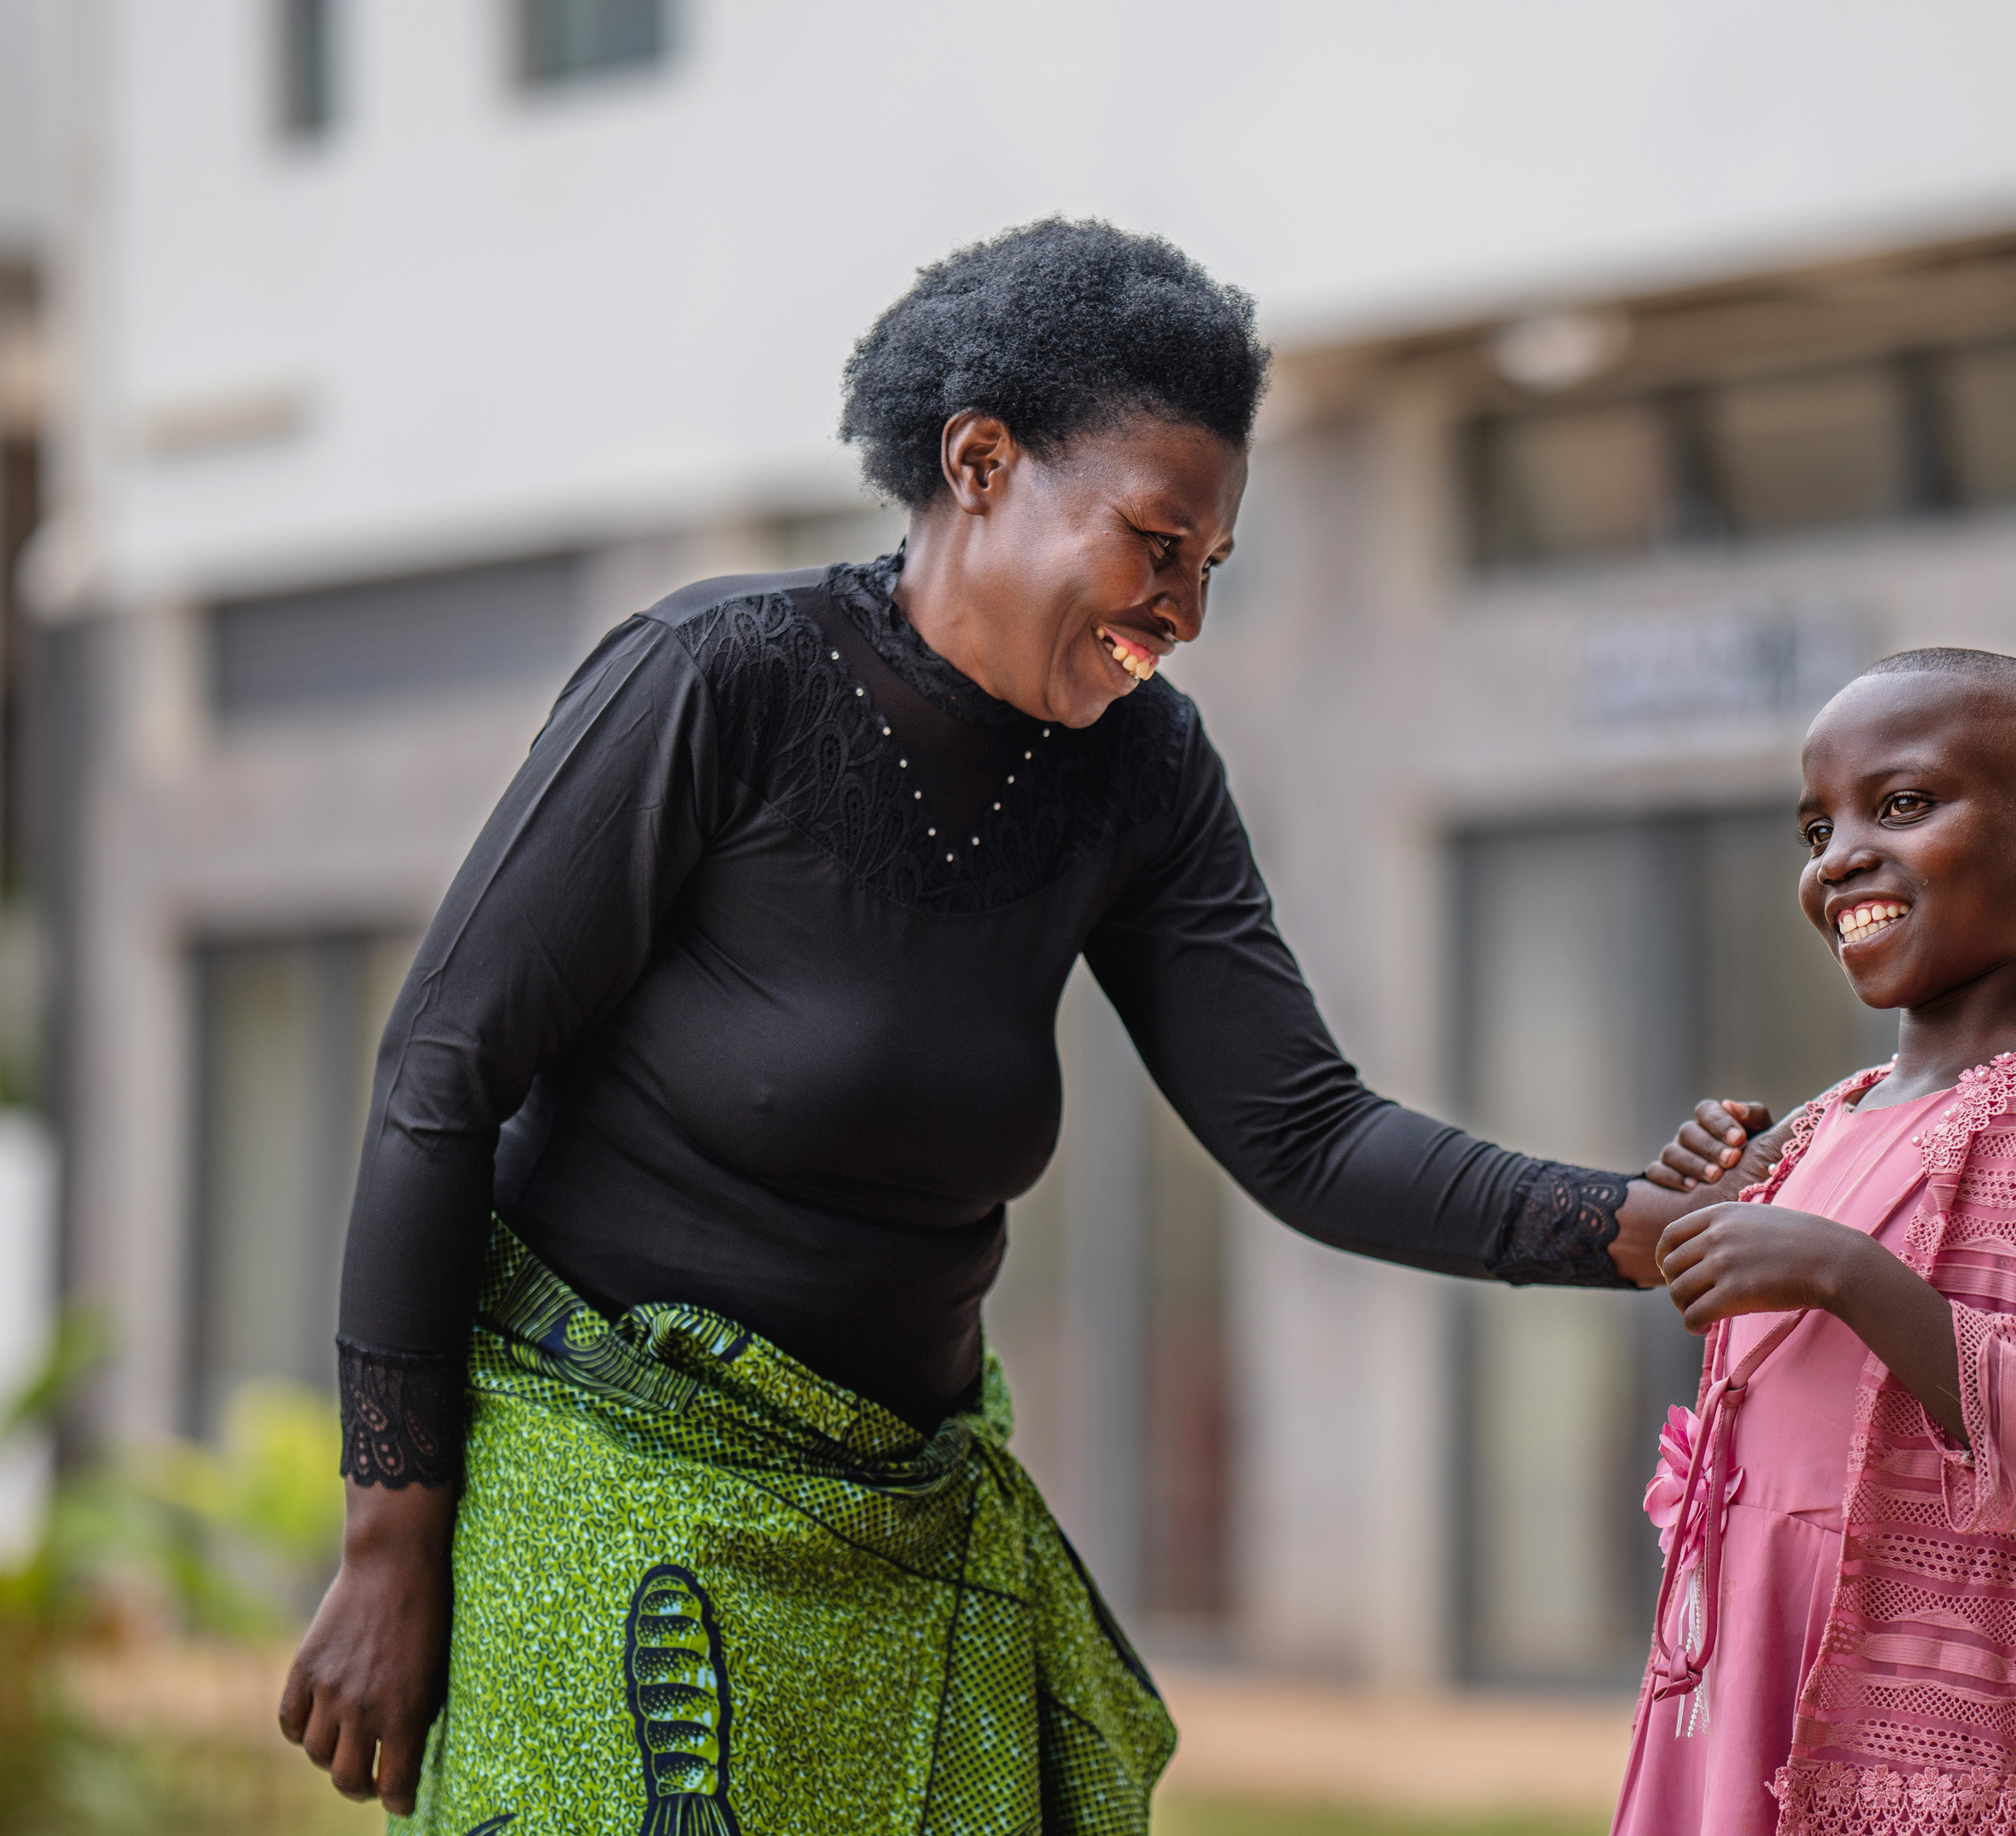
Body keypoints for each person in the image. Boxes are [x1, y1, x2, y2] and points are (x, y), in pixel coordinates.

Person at [276, 219, 1698, 1834]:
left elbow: (1303, 1133)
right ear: (979, 459)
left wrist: (1639, 1230)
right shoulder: (715, 680)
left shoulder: (1142, 774)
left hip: (899, 1530)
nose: (1183, 610)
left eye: (1212, 567)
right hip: (610, 1485)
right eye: (1158, 541)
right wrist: (391, 1547)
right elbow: (435, 1085)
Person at [1619, 649, 2016, 1836]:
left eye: (1901, 806)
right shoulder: (1825, 1117)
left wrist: (1836, 1268)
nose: (1838, 860)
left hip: (1945, 1687)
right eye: (1814, 828)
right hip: (1750, 1653)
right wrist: (1713, 1206)